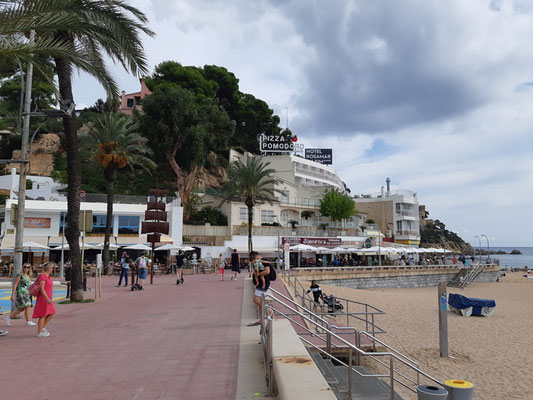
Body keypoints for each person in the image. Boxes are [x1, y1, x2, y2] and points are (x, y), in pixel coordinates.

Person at [247, 251, 271, 327]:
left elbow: (267, 271)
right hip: (259, 284)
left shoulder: (264, 261)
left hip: (263, 284)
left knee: (256, 300)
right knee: (259, 303)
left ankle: (269, 311)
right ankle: (261, 319)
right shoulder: (257, 262)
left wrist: (258, 274)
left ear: (255, 256)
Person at [33, 263, 56, 337]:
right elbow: (42, 289)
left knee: (52, 313)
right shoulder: (43, 276)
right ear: (49, 269)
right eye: (52, 268)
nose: (52, 269)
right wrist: (47, 298)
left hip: (48, 298)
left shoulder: (47, 277)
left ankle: (42, 327)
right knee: (43, 315)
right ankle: (39, 332)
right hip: (43, 298)